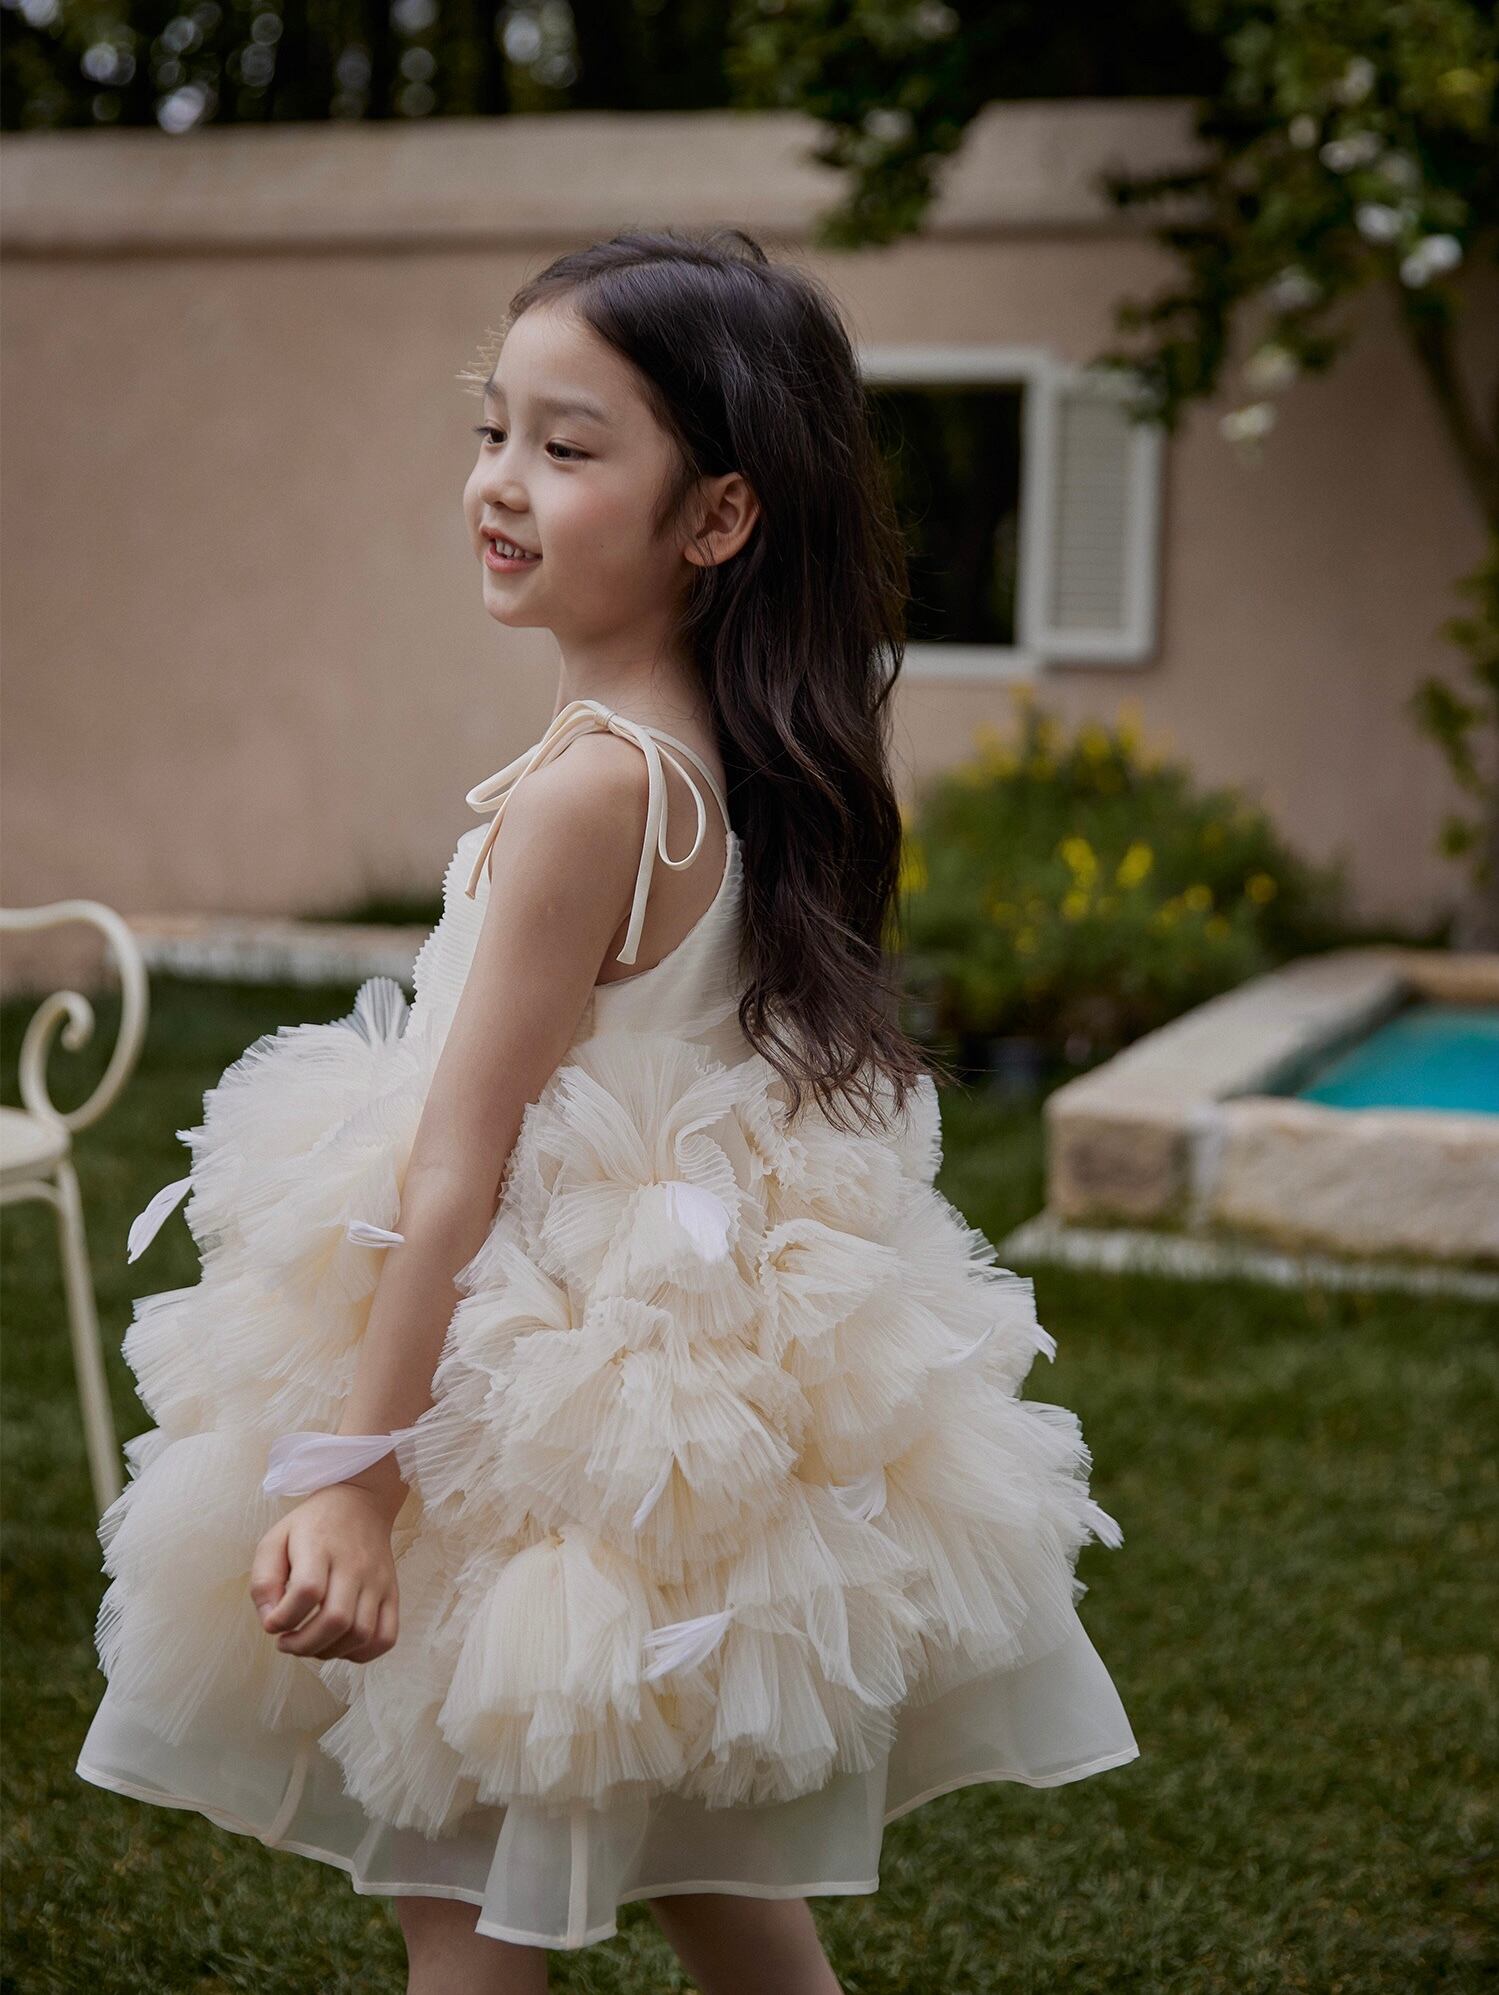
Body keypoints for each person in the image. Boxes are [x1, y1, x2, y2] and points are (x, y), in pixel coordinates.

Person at [75, 226, 1140, 1994]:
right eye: (491, 429)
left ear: (715, 517)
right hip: (637, 1378)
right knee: (700, 1864)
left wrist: (354, 1479)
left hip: (525, 1398)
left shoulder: (595, 792)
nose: (501, 482)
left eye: (568, 450)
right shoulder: (719, 754)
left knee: (465, 1885)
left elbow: (459, 1162)